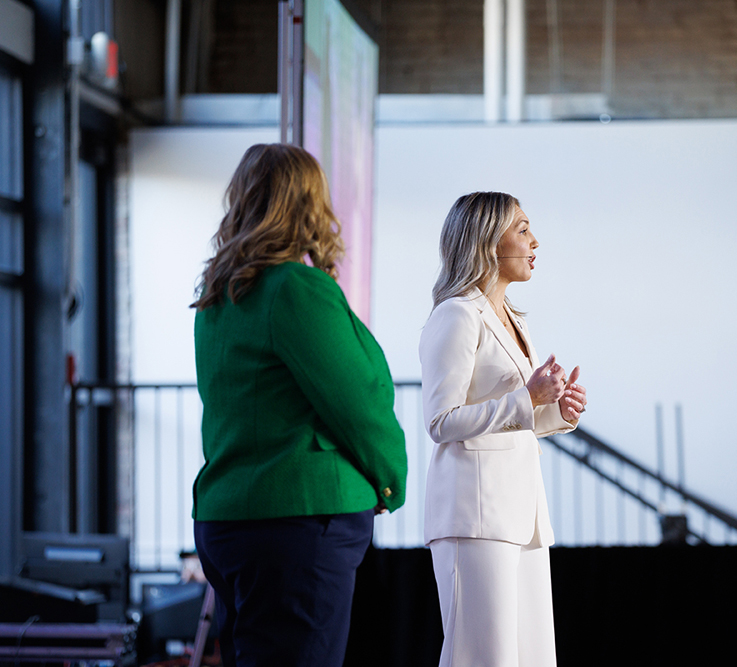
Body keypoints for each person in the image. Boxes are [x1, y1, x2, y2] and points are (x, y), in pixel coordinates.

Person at [190, 143, 407, 667]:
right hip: (298, 523)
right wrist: (389, 482)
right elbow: (358, 403)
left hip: (227, 519)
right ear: (309, 204)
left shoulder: (219, 296)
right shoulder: (295, 289)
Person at [419, 192, 588, 667]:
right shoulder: (455, 314)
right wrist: (527, 398)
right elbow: (440, 421)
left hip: (523, 518)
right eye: (523, 229)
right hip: (474, 518)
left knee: (533, 658)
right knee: (482, 659)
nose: (535, 241)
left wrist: (558, 410)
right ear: (487, 242)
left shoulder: (512, 318)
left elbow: (515, 418)